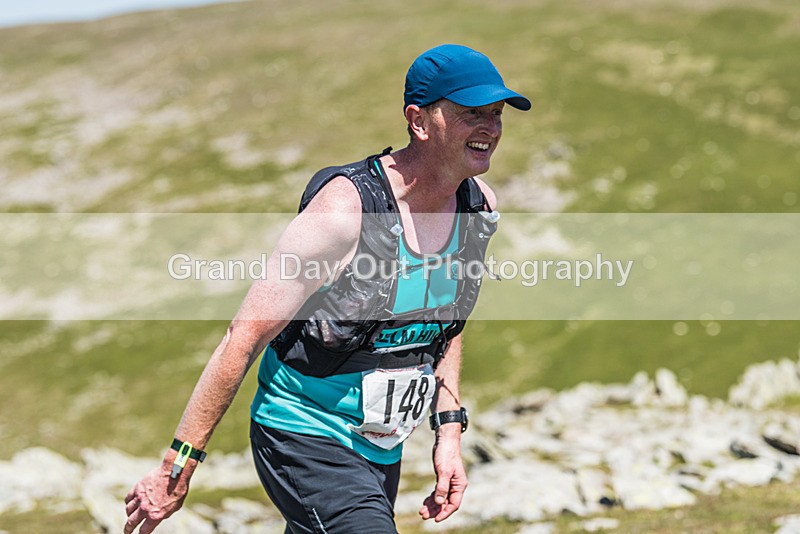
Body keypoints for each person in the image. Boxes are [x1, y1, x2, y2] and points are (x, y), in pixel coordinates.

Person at [124, 43, 530, 534]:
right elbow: (243, 335)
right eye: (471, 114)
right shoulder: (344, 211)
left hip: (381, 443)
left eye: (496, 114)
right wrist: (178, 465)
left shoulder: (476, 207)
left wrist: (448, 435)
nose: (490, 128)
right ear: (419, 121)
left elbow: (442, 325)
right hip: (303, 431)